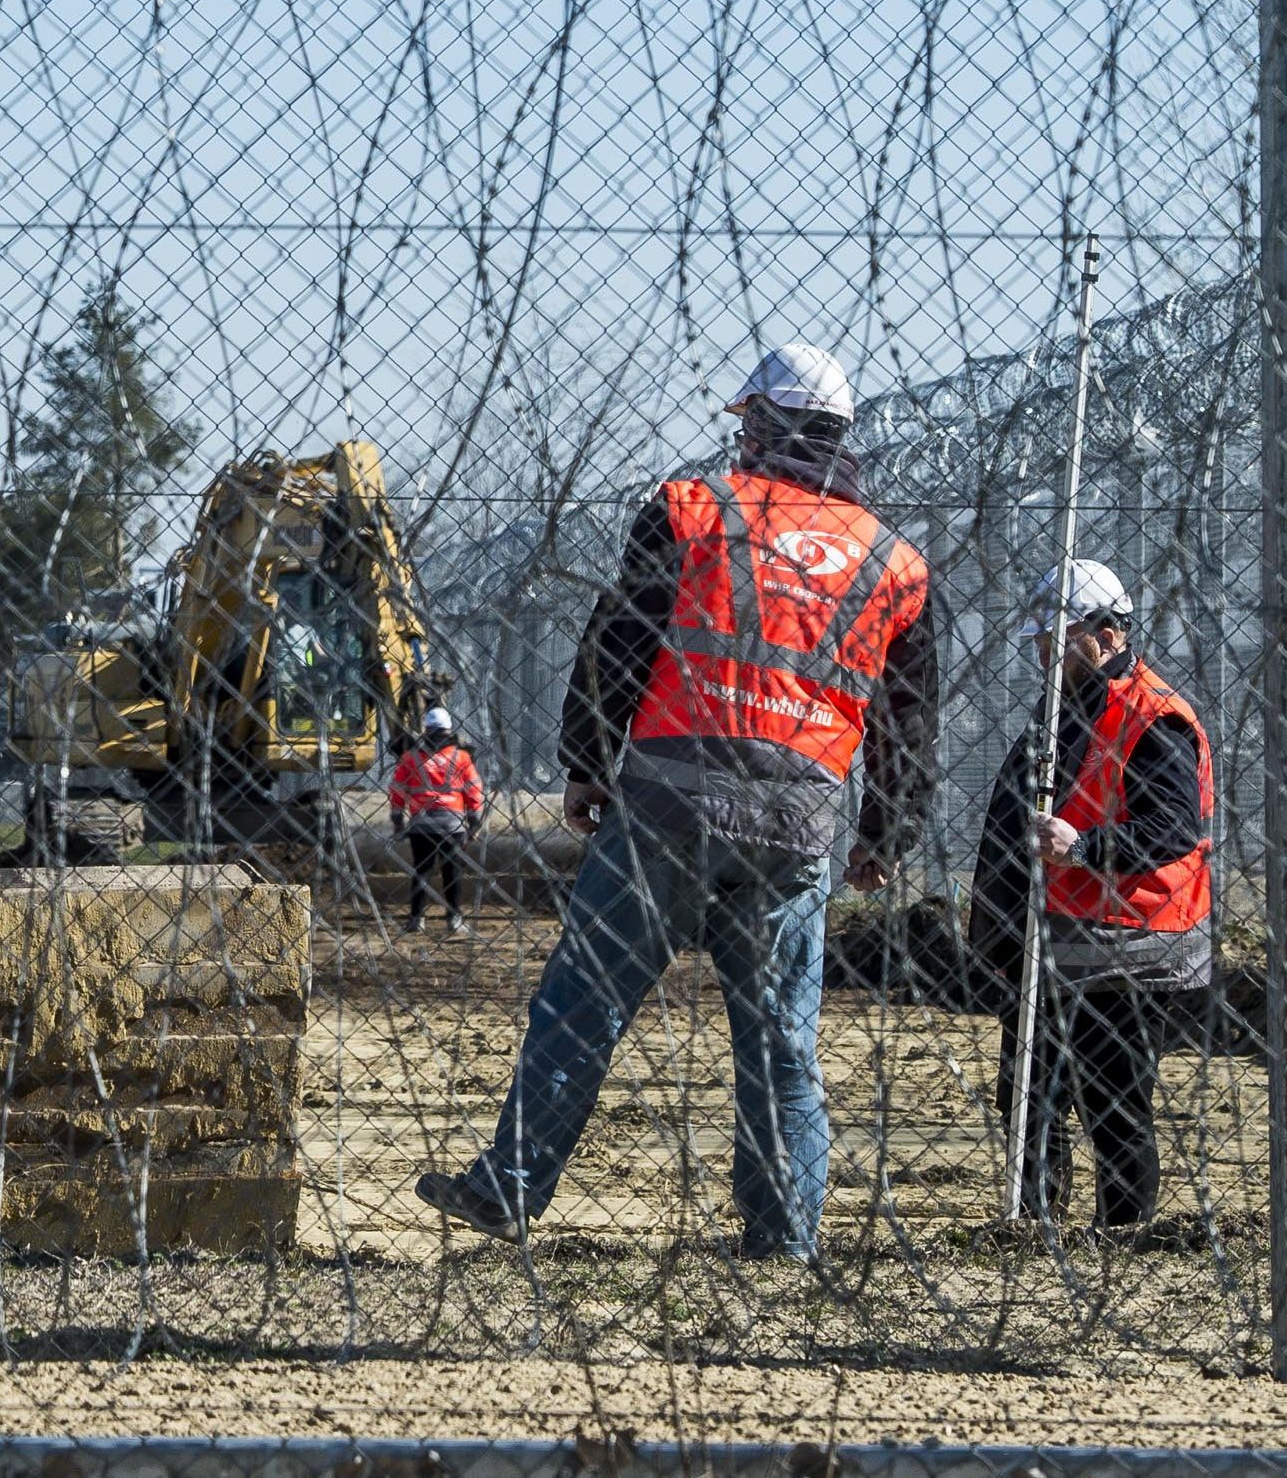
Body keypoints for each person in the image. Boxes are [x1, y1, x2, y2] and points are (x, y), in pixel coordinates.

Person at [415, 343, 942, 1260]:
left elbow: (619, 639)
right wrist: (884, 833)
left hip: (667, 808)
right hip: (794, 826)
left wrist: (584, 758)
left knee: (583, 1001)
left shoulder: (695, 510)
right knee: (781, 1043)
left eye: (745, 423)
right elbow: (908, 723)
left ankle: (509, 1186)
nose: (737, 439)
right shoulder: (893, 564)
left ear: (764, 423)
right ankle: (784, 1237)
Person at [966, 558, 1213, 1235]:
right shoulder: (1064, 708)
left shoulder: (1154, 717)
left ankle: (1121, 1234)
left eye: (1058, 637)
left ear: (1106, 634)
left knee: (1112, 1104)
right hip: (1055, 938)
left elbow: (1172, 829)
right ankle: (1030, 1222)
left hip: (1124, 947)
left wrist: (1081, 845)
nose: (1044, 651)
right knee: (1026, 1095)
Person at [389, 707, 485, 935]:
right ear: (449, 730)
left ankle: (416, 919)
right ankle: (454, 919)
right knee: (452, 873)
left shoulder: (410, 758)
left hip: (421, 824)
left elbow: (397, 790)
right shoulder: (461, 757)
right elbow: (474, 790)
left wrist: (398, 820)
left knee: (422, 870)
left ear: (426, 730)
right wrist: (474, 822)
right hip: (452, 824)